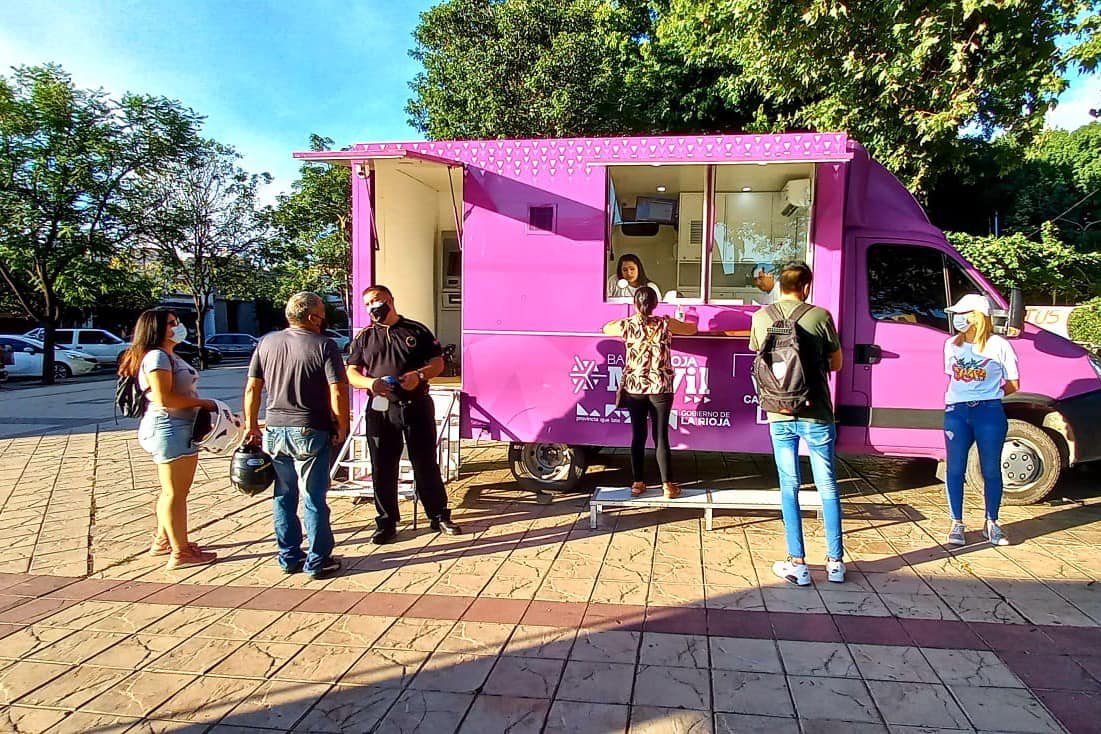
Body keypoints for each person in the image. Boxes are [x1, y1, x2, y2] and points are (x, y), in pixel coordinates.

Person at [748, 261, 845, 586]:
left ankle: (798, 564)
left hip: (779, 412)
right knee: (827, 485)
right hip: (817, 412)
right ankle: (835, 563)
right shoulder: (820, 316)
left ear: (780, 285)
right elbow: (837, 363)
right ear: (806, 287)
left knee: (789, 486)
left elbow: (758, 354)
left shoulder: (762, 317)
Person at [244, 292, 350, 579]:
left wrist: (252, 425)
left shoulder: (266, 343)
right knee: (313, 497)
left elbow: (253, 388)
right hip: (309, 428)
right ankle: (318, 560)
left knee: (283, 495)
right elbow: (338, 390)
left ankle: (288, 556)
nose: (325, 318)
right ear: (313, 317)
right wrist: (342, 424)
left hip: (275, 429)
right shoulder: (324, 345)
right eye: (323, 313)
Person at [346, 285, 461, 544]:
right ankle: (386, 522)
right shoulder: (364, 337)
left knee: (425, 462)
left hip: (416, 405)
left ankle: (439, 515)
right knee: (382, 466)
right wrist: (370, 383)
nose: (372, 307)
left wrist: (419, 375)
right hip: (381, 410)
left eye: (376, 301)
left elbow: (438, 363)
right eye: (367, 304)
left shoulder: (416, 330)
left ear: (390, 300)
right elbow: (351, 372)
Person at [118, 309, 218, 570]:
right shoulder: (157, 357)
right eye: (172, 323)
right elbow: (164, 398)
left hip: (177, 427)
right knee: (175, 493)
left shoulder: (167, 355)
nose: (178, 327)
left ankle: (165, 540)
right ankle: (180, 552)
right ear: (156, 329)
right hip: (170, 428)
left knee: (171, 491)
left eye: (177, 322)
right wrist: (205, 403)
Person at [602, 286, 697, 498]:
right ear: (655, 304)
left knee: (638, 435)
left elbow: (606, 328)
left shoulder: (627, 325)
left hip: (635, 387)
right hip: (660, 386)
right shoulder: (665, 323)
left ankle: (637, 483)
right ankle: (667, 485)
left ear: (635, 304)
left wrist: (630, 318)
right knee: (661, 436)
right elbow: (692, 330)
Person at [943, 294, 1019, 547]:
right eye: (957, 314)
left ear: (978, 317)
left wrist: (991, 394)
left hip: (989, 412)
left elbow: (1014, 383)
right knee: (955, 468)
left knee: (990, 469)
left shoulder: (999, 345)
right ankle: (956, 522)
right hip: (956, 412)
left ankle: (992, 522)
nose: (958, 319)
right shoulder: (951, 345)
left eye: (963, 314)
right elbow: (952, 377)